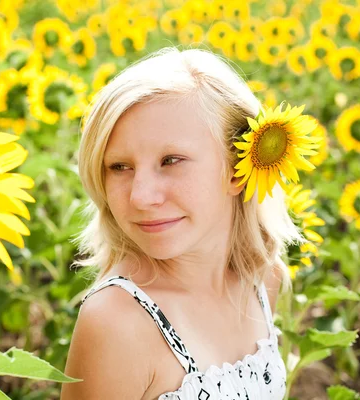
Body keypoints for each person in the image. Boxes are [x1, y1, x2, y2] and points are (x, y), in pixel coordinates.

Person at [61, 46, 315, 399]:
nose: (140, 196)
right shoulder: (117, 323)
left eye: (171, 160)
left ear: (239, 169)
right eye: (119, 167)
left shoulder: (261, 280)